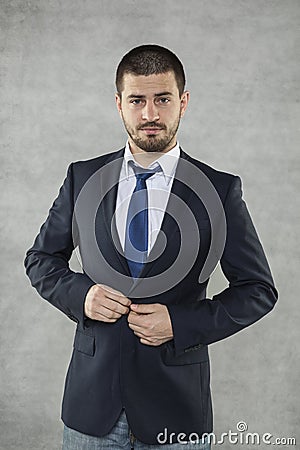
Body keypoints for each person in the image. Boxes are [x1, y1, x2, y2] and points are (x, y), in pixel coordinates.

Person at [24, 44, 277, 449]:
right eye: (137, 100)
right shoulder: (82, 178)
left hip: (176, 409)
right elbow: (40, 260)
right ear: (119, 104)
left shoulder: (219, 190)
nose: (150, 115)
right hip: (91, 409)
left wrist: (180, 324)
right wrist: (82, 296)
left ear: (184, 101)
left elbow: (258, 291)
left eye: (163, 99)